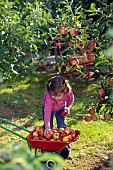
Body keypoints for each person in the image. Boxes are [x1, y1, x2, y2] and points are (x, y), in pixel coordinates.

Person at [42, 75, 74, 159]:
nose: (55, 98)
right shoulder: (49, 96)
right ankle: (46, 150)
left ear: (64, 90)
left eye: (58, 96)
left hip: (61, 109)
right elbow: (47, 111)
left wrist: (68, 107)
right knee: (48, 129)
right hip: (48, 109)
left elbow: (71, 100)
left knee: (63, 127)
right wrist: (47, 126)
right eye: (53, 95)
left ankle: (67, 151)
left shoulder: (68, 92)